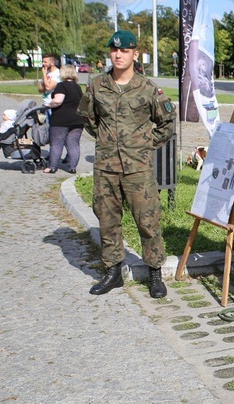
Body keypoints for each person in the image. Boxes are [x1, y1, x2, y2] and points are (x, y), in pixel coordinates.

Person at [77, 30, 176, 298]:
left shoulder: (148, 88)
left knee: (148, 221)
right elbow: (88, 119)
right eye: (113, 50)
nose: (118, 55)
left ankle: (155, 272)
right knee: (107, 220)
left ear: (135, 54)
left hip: (138, 169)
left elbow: (167, 122)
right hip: (106, 167)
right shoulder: (97, 85)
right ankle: (113, 272)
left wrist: (144, 144)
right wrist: (108, 141)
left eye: (124, 50)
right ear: (110, 53)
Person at [42, 64, 84, 174]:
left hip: (61, 120)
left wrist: (48, 105)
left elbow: (58, 101)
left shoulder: (61, 85)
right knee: (73, 143)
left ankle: (52, 167)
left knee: (56, 143)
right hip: (77, 120)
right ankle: (72, 167)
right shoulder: (77, 87)